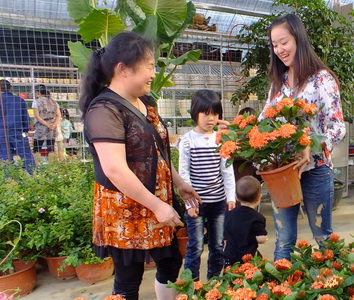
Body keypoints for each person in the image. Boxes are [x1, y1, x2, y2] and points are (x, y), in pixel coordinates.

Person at [80, 32, 201, 300]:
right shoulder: (104, 110)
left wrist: (179, 184)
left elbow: (158, 152)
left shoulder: (146, 102)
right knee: (128, 280)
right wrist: (158, 206)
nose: (152, 73)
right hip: (125, 210)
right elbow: (114, 169)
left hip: (158, 200)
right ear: (123, 69)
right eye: (148, 66)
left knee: (170, 263)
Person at [264, 13, 346, 260]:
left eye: (284, 42)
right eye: (274, 45)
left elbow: (337, 127)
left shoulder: (321, 79)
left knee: (323, 239)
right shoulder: (277, 83)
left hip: (316, 169)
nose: (279, 49)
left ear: (298, 39)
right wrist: (242, 131)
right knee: (283, 240)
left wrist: (311, 145)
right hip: (283, 172)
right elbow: (266, 122)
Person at [177, 89, 235, 280]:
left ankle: (214, 283)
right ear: (195, 113)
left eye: (215, 113)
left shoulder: (221, 140)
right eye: (206, 113)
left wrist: (231, 197)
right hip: (196, 204)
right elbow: (184, 174)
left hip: (218, 202)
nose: (211, 118)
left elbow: (227, 169)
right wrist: (189, 204)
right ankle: (191, 286)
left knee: (218, 245)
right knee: (195, 246)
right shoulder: (187, 141)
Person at [0, 79, 36, 173]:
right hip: (18, 130)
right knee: (25, 153)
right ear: (11, 88)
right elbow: (25, 117)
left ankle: (8, 176)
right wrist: (25, 130)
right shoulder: (19, 100)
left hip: (2, 130)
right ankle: (32, 173)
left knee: (5, 154)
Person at [224, 175, 267, 266]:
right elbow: (260, 238)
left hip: (230, 257)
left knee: (230, 276)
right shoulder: (257, 218)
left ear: (236, 197)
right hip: (248, 258)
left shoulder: (229, 214)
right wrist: (265, 239)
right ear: (259, 197)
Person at [32, 84, 61, 153]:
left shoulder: (36, 102)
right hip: (52, 127)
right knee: (51, 148)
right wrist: (53, 125)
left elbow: (37, 116)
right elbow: (58, 115)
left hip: (41, 127)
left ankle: (37, 162)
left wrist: (47, 124)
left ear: (37, 93)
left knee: (37, 148)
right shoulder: (54, 102)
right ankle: (52, 162)